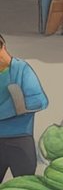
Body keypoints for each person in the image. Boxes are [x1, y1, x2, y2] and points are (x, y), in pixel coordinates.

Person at [0, 34, 47, 179]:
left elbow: (40, 101)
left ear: (2, 47)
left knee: (25, 188)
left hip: (20, 139)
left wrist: (15, 106)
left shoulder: (22, 69)